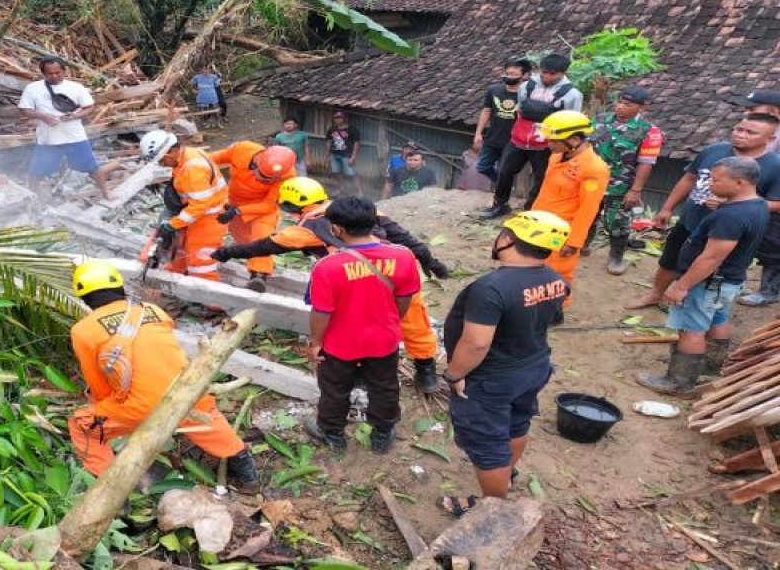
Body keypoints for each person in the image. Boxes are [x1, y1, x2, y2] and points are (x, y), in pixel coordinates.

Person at [211, 177, 450, 392]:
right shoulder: (364, 210)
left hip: (353, 282)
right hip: (394, 273)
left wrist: (226, 252)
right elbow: (405, 238)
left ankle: (360, 374)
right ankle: (426, 371)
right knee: (414, 321)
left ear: (291, 207)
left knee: (354, 325)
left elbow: (261, 246)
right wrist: (432, 262)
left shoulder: (304, 231)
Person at [67, 259, 257, 486]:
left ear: (84, 298)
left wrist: (106, 408)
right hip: (187, 392)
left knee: (82, 426)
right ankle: (246, 470)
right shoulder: (154, 311)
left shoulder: (83, 331)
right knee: (205, 416)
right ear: (120, 287)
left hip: (140, 407)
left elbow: (98, 383)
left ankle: (108, 486)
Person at [438, 211, 571, 517]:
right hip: (533, 367)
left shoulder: (490, 288)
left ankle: (493, 511)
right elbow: (551, 318)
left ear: (508, 239)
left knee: (487, 447)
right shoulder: (556, 280)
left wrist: (455, 373)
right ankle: (506, 476)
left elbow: (476, 343)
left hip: (491, 379)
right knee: (516, 422)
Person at [636, 158, 769, 395]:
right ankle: (710, 368)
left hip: (707, 282)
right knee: (718, 319)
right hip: (729, 281)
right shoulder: (756, 205)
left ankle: (679, 382)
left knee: (691, 329)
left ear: (739, 182)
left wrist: (681, 285)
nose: (710, 185)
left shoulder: (731, 216)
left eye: (716, 180)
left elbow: (711, 257)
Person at [301, 197, 421, 454]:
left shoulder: (327, 267)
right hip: (384, 339)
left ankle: (332, 434)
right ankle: (383, 433)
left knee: (334, 388)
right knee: (385, 385)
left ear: (337, 229)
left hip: (340, 343)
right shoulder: (403, 256)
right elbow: (404, 298)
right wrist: (389, 320)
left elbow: (321, 312)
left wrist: (315, 343)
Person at [626, 114, 780, 310]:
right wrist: (667, 207)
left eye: (751, 132)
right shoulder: (713, 150)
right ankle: (656, 294)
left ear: (770, 139)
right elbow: (689, 179)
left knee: (708, 267)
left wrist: (733, 206)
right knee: (670, 259)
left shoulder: (775, 166)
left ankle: (689, 306)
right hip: (691, 219)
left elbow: (777, 203)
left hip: (728, 232)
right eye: (739, 129)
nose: (741, 135)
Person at [479, 53, 583, 220]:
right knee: (504, 172)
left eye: (553, 74)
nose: (547, 76)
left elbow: (572, 120)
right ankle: (500, 204)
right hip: (518, 140)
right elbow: (520, 109)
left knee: (541, 178)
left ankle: (531, 210)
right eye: (544, 72)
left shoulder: (572, 94)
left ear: (563, 73)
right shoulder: (526, 86)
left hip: (547, 144)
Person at [528, 110, 608, 313]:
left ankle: (556, 309)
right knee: (534, 267)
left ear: (574, 139)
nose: (549, 144)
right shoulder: (556, 157)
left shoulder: (594, 169)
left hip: (562, 232)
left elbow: (588, 209)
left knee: (558, 272)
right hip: (540, 225)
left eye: (554, 140)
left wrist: (574, 242)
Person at [587, 86, 664, 275]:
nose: (620, 106)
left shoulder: (649, 132)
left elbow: (646, 163)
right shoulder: (599, 120)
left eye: (627, 104)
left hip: (620, 186)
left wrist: (635, 190)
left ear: (642, 107)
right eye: (619, 101)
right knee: (587, 214)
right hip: (590, 180)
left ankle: (616, 257)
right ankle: (581, 244)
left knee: (617, 223)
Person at [208, 142, 297, 292]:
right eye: (262, 176)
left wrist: (238, 211)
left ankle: (259, 276)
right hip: (233, 201)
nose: (263, 181)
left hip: (262, 209)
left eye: (269, 180)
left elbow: (269, 205)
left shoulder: (287, 175)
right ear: (256, 163)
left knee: (261, 239)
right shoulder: (242, 150)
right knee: (243, 242)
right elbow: (211, 159)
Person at [139, 130, 228, 282]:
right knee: (181, 247)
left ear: (172, 151)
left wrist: (173, 224)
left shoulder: (193, 169)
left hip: (209, 218)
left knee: (200, 262)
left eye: (162, 160)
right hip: (198, 212)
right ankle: (177, 273)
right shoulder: (187, 155)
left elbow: (200, 204)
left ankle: (211, 301)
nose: (162, 164)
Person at [18, 57, 110, 198]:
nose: (54, 76)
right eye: (50, 73)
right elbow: (24, 110)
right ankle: (33, 199)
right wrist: (43, 116)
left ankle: (106, 193)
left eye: (57, 72)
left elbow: (89, 107)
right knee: (36, 171)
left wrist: (74, 117)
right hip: (48, 139)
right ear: (43, 73)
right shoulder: (33, 89)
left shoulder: (76, 87)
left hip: (75, 137)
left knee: (92, 167)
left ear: (64, 70)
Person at [727, 90, 780, 305]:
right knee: (741, 240)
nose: (746, 112)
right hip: (749, 194)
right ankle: (736, 282)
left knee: (773, 246)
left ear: (773, 112)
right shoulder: (751, 129)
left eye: (751, 109)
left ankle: (770, 290)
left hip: (774, 198)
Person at [473, 60, 533, 184]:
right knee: (482, 166)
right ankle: (502, 186)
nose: (509, 76)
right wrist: (478, 133)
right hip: (492, 137)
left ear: (524, 75)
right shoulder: (494, 90)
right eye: (507, 73)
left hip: (513, 141)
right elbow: (486, 111)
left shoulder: (527, 94)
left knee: (503, 170)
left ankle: (500, 195)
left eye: (514, 74)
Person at [326, 110, 361, 196]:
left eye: (340, 118)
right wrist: (327, 155)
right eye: (336, 118)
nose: (338, 120)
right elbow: (329, 142)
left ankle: (359, 192)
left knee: (352, 174)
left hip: (347, 155)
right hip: (334, 154)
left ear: (344, 119)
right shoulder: (332, 129)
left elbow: (356, 143)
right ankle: (340, 189)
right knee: (337, 173)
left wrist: (353, 156)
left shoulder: (352, 129)